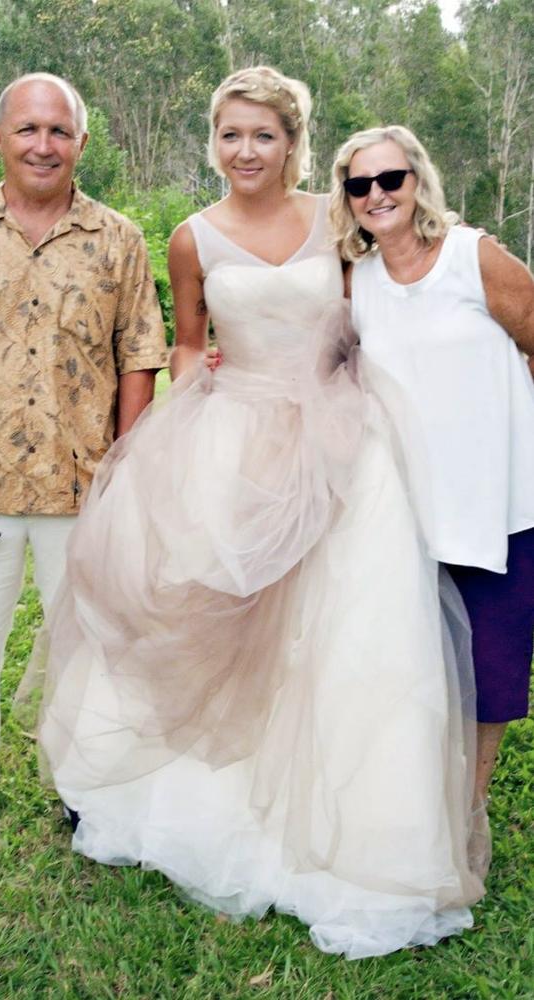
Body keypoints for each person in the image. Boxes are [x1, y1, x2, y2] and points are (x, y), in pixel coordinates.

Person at [37, 67, 484, 959]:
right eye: (232, 135)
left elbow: (384, 301)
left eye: (264, 136)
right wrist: (195, 427)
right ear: (215, 141)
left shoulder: (338, 216)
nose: (247, 152)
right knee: (222, 625)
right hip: (229, 442)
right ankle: (217, 819)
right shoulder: (190, 236)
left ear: (293, 143)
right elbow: (192, 341)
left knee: (348, 634)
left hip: (342, 444)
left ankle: (353, 836)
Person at [0, 72, 168, 853]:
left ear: (82, 142)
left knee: (90, 655)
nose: (43, 144)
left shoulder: (119, 238)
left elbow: (140, 359)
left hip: (82, 489)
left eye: (59, 130)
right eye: (28, 129)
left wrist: (122, 476)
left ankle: (85, 791)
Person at [329, 126, 534, 851]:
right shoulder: (359, 283)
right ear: (347, 199)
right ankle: (415, 799)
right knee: (416, 664)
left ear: (417, 179)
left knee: (494, 669)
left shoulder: (473, 257)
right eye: (360, 185)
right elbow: (331, 368)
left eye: (390, 179)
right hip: (408, 511)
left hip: (498, 501)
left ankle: (468, 811)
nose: (377, 195)